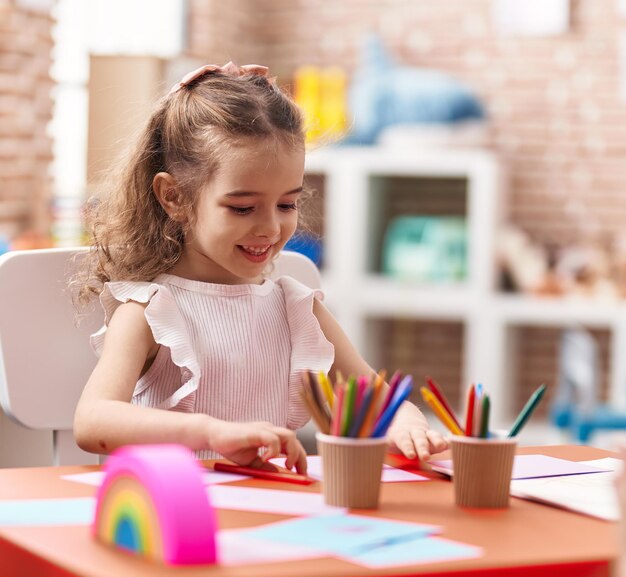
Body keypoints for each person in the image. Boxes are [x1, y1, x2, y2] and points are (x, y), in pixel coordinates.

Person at [72, 61, 448, 475]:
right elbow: (93, 422)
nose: (271, 227)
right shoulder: (150, 311)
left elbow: (378, 399)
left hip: (271, 513)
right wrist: (210, 433)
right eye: (243, 207)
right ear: (173, 196)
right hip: (173, 516)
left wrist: (405, 421)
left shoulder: (297, 307)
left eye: (287, 204)